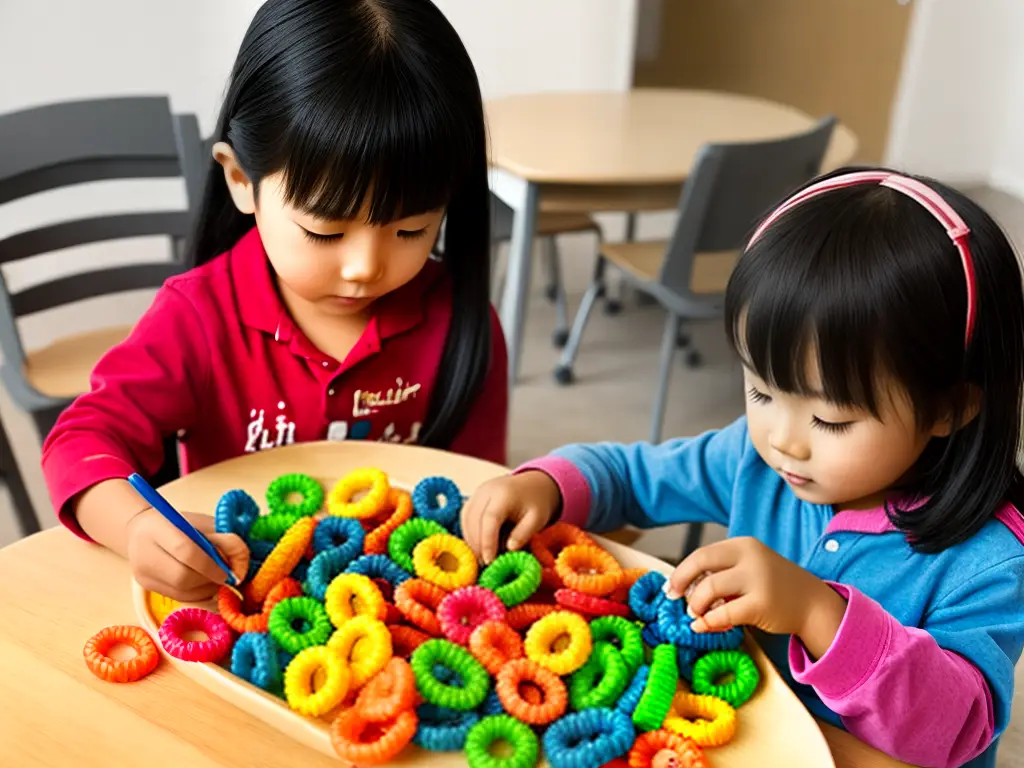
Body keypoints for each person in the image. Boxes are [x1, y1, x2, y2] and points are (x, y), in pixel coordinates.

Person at [462, 167, 1024, 767]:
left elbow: (955, 729)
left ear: (949, 409)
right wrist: (546, 485)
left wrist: (816, 612)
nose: (783, 441)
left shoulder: (989, 560)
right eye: (760, 391)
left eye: (831, 420)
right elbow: (631, 477)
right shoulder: (754, 459)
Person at [41, 0, 505, 604]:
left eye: (410, 231)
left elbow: (480, 489)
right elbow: (81, 440)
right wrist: (135, 527)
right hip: (233, 596)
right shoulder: (199, 318)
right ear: (240, 181)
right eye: (325, 232)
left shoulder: (462, 327)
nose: (365, 267)